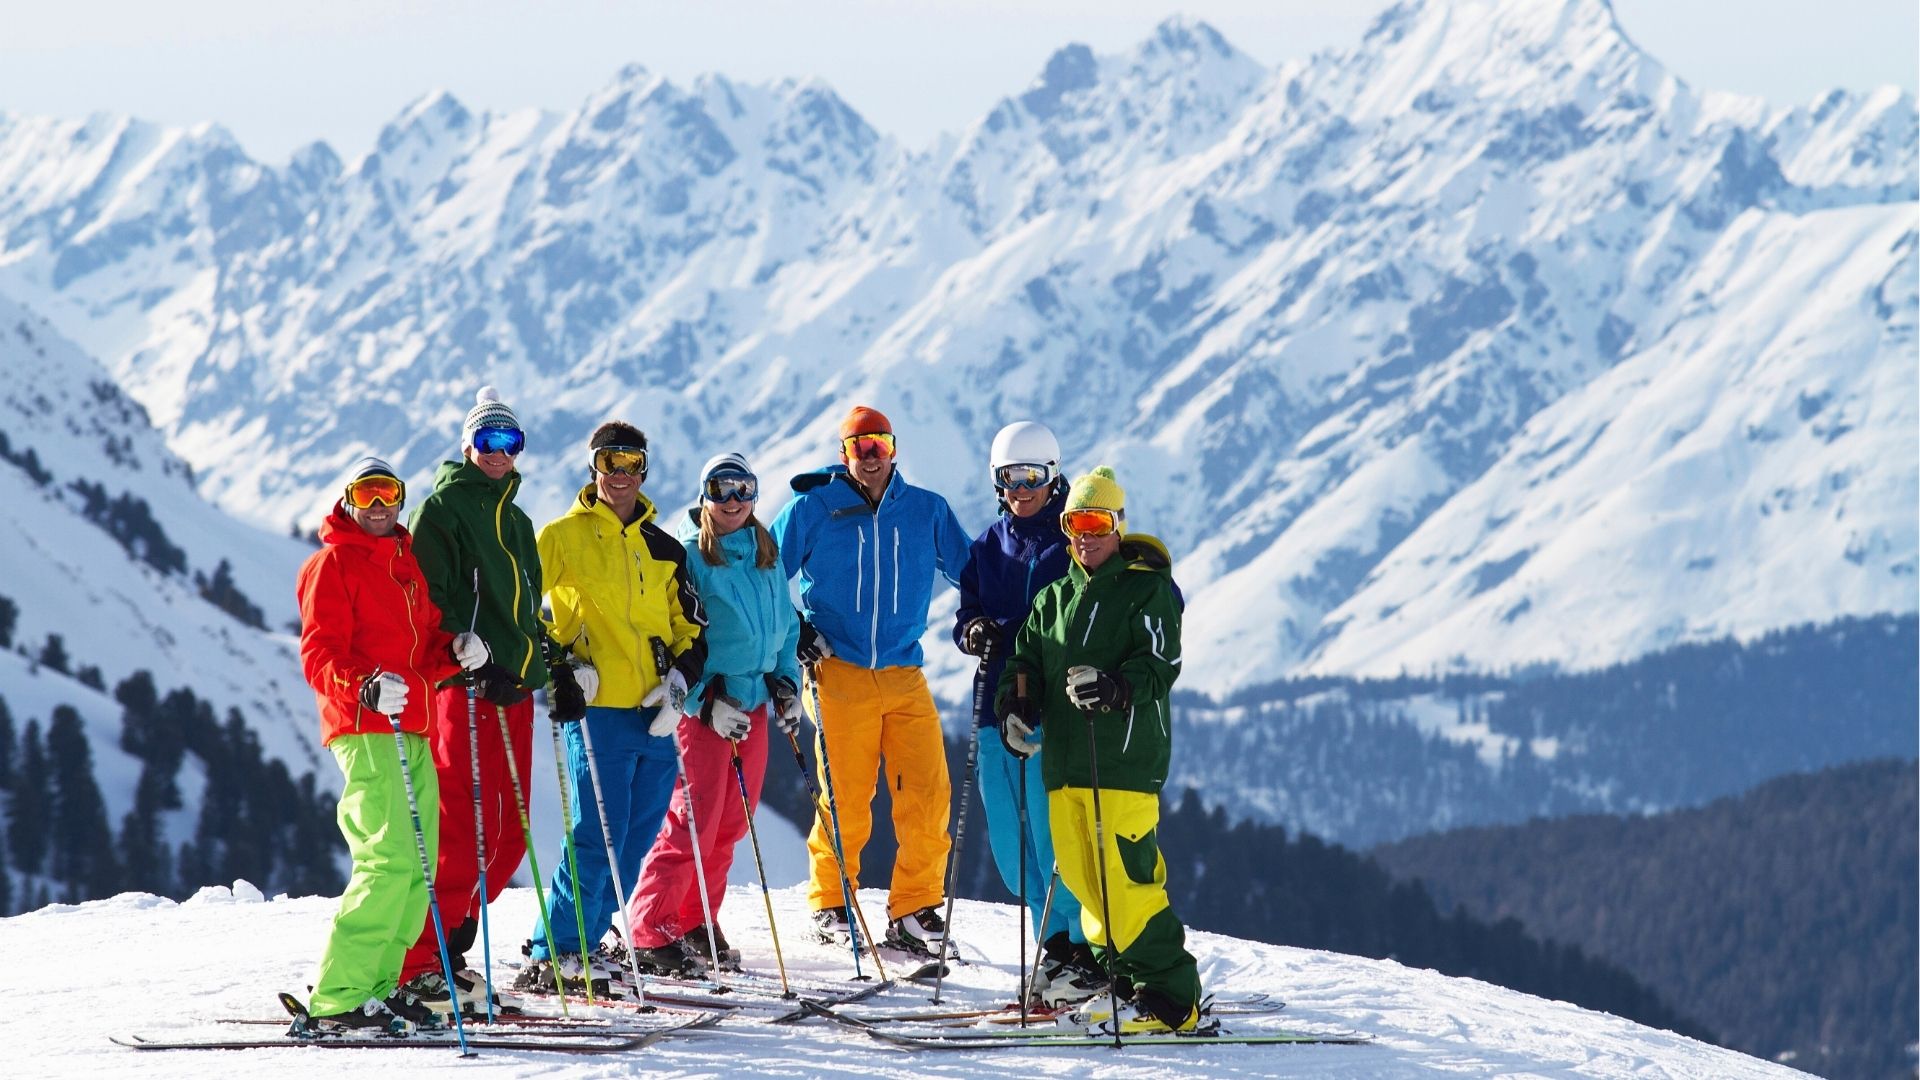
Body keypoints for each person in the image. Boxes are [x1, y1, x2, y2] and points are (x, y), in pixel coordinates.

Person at [995, 465, 1200, 1035]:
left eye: (1096, 523)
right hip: (1064, 766)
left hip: (1122, 764)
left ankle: (1171, 999)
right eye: (1075, 524)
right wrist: (1016, 704)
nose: (1085, 536)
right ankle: (1124, 983)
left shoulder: (1146, 590)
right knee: (1087, 886)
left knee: (1126, 883)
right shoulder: (1054, 598)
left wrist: (1115, 689)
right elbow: (1024, 662)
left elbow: (1161, 663)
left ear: (1117, 525)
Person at [295, 457, 490, 1032]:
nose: (379, 505)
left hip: (414, 725)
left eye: (388, 492)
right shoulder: (332, 564)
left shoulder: (405, 565)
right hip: (366, 727)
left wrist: (454, 651)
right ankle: (340, 996)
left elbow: (424, 645)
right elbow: (319, 653)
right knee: (388, 859)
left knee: (418, 864)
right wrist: (365, 687)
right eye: (367, 494)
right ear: (348, 500)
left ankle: (380, 985)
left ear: (402, 498)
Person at [769, 405, 971, 956]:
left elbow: (974, 574)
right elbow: (762, 575)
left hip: (905, 671)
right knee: (847, 797)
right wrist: (796, 629)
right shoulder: (813, 507)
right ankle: (832, 904)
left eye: (880, 443)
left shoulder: (926, 510)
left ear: (895, 448)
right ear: (844, 454)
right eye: (860, 446)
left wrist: (984, 616)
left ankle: (914, 909)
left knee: (928, 794)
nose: (872, 455)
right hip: (837, 670)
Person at [515, 421, 708, 991]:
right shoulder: (562, 536)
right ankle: (556, 949)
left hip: (656, 713)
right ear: (592, 467)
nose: (620, 474)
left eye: (631, 463)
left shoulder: (664, 548)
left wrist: (680, 682)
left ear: (644, 470)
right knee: (596, 835)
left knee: (634, 842)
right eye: (609, 462)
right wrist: (561, 665)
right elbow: (520, 604)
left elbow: (692, 627)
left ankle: (587, 939)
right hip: (598, 708)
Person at [397, 387, 546, 1006]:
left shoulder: (518, 521)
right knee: (462, 826)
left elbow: (528, 611)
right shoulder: (442, 509)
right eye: (487, 440)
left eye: (509, 441)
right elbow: (426, 596)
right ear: (468, 445)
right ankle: (422, 958)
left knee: (509, 834)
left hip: (515, 688)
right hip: (465, 687)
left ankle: (452, 944)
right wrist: (466, 649)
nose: (498, 452)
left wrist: (548, 666)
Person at [624, 452, 802, 972]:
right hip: (705, 709)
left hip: (754, 706)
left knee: (730, 823)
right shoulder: (688, 555)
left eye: (743, 489)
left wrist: (786, 682)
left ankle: (696, 918)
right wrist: (703, 703)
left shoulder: (765, 551)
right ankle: (651, 929)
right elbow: (674, 638)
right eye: (721, 489)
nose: (733, 501)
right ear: (705, 495)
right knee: (692, 820)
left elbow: (787, 626)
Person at [952, 421, 1103, 1005]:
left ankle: (1080, 952)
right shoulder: (988, 547)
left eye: (1032, 477)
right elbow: (966, 613)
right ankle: (1054, 945)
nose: (1021, 490)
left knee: (1050, 839)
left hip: (1048, 711)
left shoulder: (1072, 541)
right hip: (994, 708)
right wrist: (974, 631)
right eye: (1010, 479)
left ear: (1054, 476)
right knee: (1012, 851)